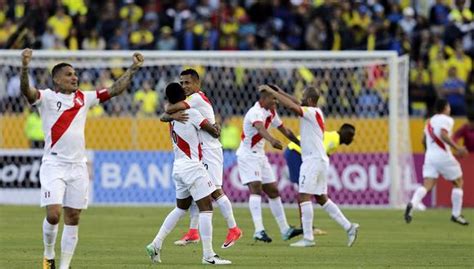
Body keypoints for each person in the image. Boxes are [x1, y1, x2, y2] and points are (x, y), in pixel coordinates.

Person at [20, 48, 144, 269]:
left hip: (78, 166)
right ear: (56, 79)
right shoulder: (46, 97)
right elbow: (27, 92)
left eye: (74, 73)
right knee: (54, 213)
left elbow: (114, 90)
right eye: (68, 74)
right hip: (54, 164)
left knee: (74, 216)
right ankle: (48, 254)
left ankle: (64, 266)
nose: (74, 77)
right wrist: (25, 67)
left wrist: (133, 69)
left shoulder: (85, 98)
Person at [261, 84, 359, 248]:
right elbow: (295, 101)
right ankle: (349, 227)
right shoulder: (315, 111)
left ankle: (308, 238)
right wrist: (279, 91)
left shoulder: (311, 112)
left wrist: (272, 93)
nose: (302, 99)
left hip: (312, 160)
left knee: (303, 196)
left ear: (311, 100)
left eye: (304, 97)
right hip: (319, 160)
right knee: (321, 198)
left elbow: (293, 106)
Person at [146, 82, 231, 265]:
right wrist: (216, 126)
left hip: (178, 167)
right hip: (193, 166)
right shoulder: (192, 113)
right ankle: (208, 256)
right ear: (183, 97)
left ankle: (156, 244)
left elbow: (164, 116)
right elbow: (214, 133)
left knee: (181, 208)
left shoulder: (172, 116)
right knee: (206, 207)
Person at [162, 69, 242, 248]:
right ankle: (193, 231)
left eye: (187, 83)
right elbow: (167, 113)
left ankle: (234, 228)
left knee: (214, 191)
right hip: (202, 151)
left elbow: (169, 108)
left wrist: (171, 114)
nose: (184, 86)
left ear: (197, 84)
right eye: (181, 83)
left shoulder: (195, 98)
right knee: (197, 193)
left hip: (210, 151)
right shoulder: (192, 101)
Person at [236, 86, 302, 243]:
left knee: (273, 190)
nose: (276, 102)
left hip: (260, 156)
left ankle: (285, 229)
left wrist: (300, 145)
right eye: (273, 99)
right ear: (264, 99)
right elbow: (259, 128)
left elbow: (285, 130)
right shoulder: (255, 112)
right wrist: (271, 140)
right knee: (256, 188)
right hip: (248, 155)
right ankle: (259, 230)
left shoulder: (271, 112)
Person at [405, 99, 469, 225]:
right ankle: (456, 214)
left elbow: (423, 140)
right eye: (449, 107)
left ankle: (413, 203)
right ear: (445, 108)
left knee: (428, 184)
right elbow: (443, 134)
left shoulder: (429, 121)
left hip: (430, 156)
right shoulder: (447, 119)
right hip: (443, 155)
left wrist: (428, 153)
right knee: (458, 182)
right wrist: (458, 148)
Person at [284, 123, 356, 235]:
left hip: (296, 152)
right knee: (304, 191)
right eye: (350, 135)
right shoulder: (334, 139)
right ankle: (305, 226)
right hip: (295, 152)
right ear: (343, 133)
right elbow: (319, 154)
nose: (352, 138)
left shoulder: (334, 139)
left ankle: (306, 226)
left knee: (308, 192)